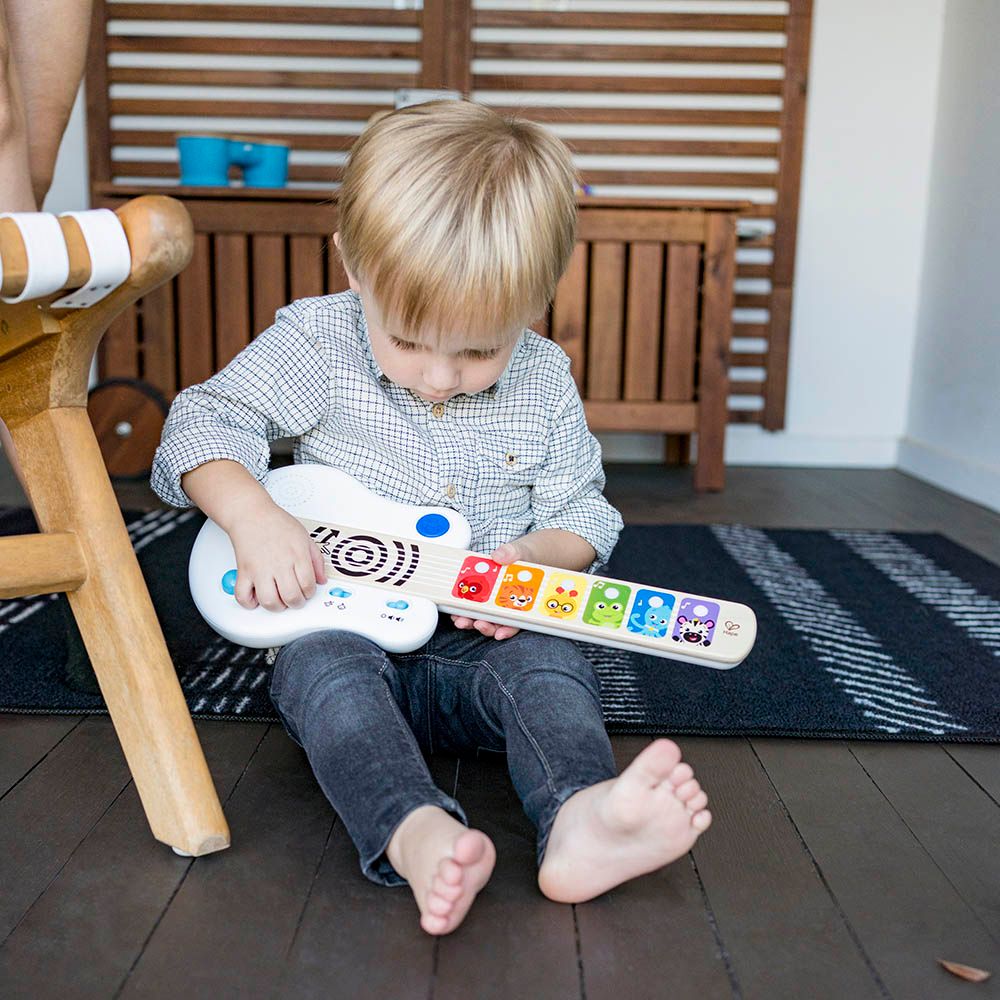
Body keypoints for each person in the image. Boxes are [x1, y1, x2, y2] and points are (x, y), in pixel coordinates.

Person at [150, 100, 711, 936]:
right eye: (410, 339)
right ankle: (415, 833)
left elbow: (585, 511)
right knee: (321, 681)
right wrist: (252, 512)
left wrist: (533, 559)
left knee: (555, 669)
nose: (442, 375)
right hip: (342, 627)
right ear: (354, 268)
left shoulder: (544, 379)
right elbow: (201, 421)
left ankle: (584, 820)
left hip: (481, 647)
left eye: (481, 350)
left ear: (536, 300)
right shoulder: (318, 342)